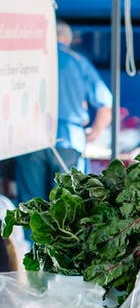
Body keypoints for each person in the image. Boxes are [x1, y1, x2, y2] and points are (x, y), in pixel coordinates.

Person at [14, 20, 112, 204]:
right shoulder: (78, 62)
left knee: (31, 207)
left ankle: (30, 235)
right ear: (67, 39)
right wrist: (95, 131)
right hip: (69, 141)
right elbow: (106, 104)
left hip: (30, 141)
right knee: (66, 206)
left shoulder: (29, 62)